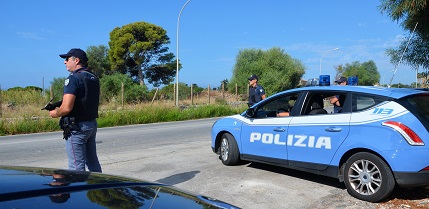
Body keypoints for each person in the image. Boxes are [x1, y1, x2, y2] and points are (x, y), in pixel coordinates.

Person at [49, 48, 102, 173]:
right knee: (93, 163)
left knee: (76, 168)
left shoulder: (73, 78)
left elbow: (67, 108)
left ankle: (78, 191)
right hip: (91, 124)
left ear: (76, 60)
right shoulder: (93, 77)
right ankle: (100, 190)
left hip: (77, 127)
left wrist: (55, 113)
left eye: (67, 59)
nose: (65, 62)